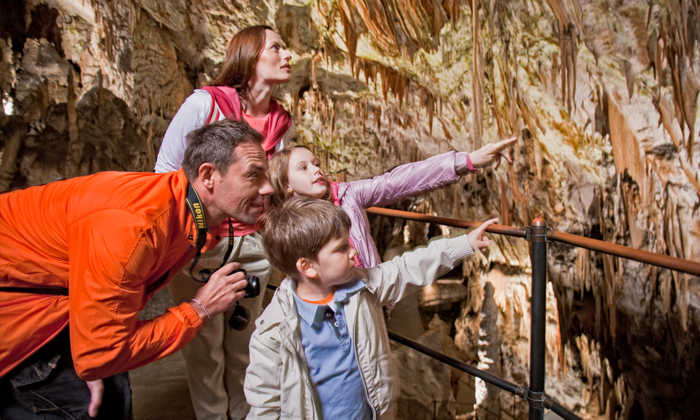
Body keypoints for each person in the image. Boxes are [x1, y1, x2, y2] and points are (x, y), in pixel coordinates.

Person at [0, 119, 271, 419]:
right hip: (16, 317)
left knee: (114, 393)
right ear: (208, 175)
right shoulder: (135, 226)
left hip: (56, 302)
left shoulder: (186, 216)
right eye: (254, 175)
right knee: (88, 406)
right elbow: (101, 355)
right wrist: (199, 309)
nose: (268, 187)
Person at [244, 196, 498, 418]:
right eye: (342, 247)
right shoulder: (272, 335)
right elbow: (264, 404)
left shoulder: (363, 288)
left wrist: (464, 243)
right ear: (308, 267)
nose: (354, 251)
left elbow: (407, 268)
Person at [154, 25, 294, 420]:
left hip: (253, 246)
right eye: (277, 47)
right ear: (250, 57)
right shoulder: (204, 105)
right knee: (203, 349)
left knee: (246, 346)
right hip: (199, 244)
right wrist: (188, 232)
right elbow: (165, 170)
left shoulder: (281, 123)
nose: (288, 56)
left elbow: (279, 187)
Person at [268, 137, 516, 269]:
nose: (316, 170)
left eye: (316, 163)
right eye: (303, 168)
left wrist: (468, 160)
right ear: (286, 184)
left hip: (372, 290)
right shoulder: (287, 228)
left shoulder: (347, 195)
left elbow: (400, 181)